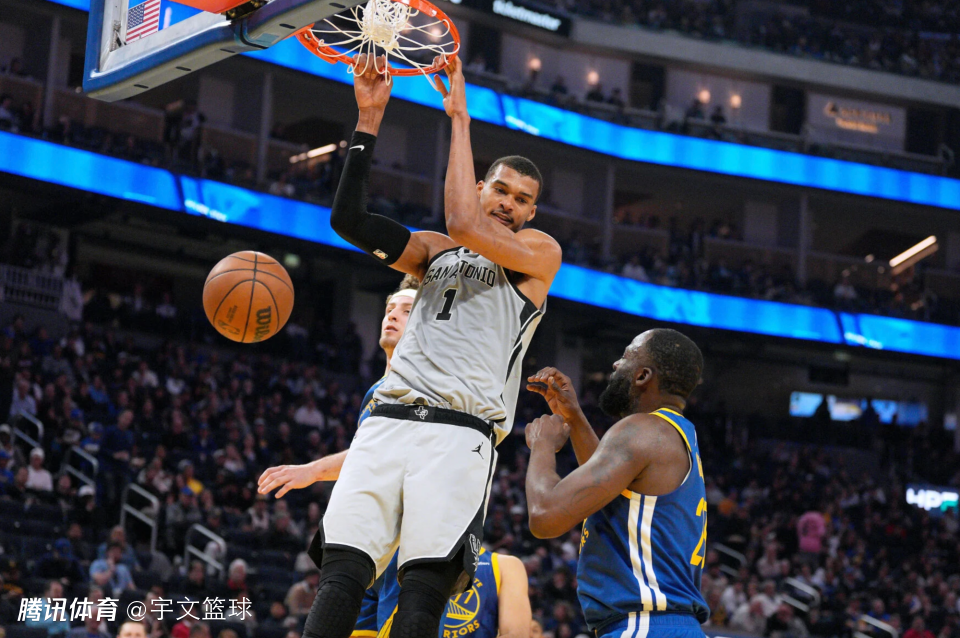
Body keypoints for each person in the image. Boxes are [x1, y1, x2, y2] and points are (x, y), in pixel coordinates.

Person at [286, 51, 561, 638]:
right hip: (386, 422)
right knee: (341, 576)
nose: (508, 203)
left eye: (521, 199)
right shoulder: (433, 250)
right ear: (481, 187)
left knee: (422, 591)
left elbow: (465, 223)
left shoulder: (538, 254)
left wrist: (459, 118)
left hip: (460, 433)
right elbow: (349, 220)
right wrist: (369, 119)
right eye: (500, 190)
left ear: (532, 212)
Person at [524, 329, 709, 638]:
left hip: (643, 625)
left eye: (626, 356)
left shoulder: (643, 429)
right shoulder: (674, 434)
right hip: (668, 626)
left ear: (642, 376)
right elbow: (610, 492)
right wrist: (574, 418)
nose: (615, 364)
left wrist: (542, 443)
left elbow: (544, 515)